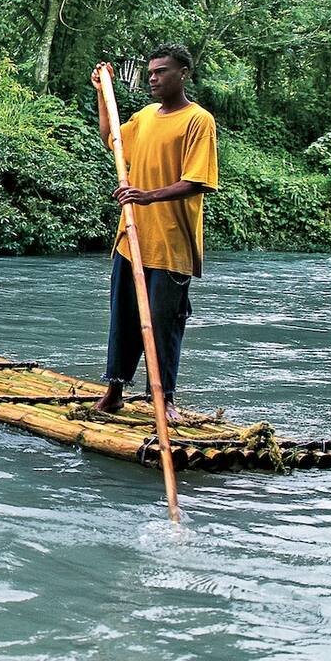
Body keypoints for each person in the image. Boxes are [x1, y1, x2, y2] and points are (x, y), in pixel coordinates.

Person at [89, 44, 219, 420]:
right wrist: (103, 94)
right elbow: (112, 138)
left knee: (164, 323)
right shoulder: (145, 116)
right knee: (124, 317)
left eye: (161, 71)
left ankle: (164, 399)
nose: (153, 78)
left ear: (183, 74)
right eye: (150, 72)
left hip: (172, 243)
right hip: (132, 240)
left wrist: (148, 196)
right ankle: (114, 390)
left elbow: (198, 181)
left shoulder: (198, 121)